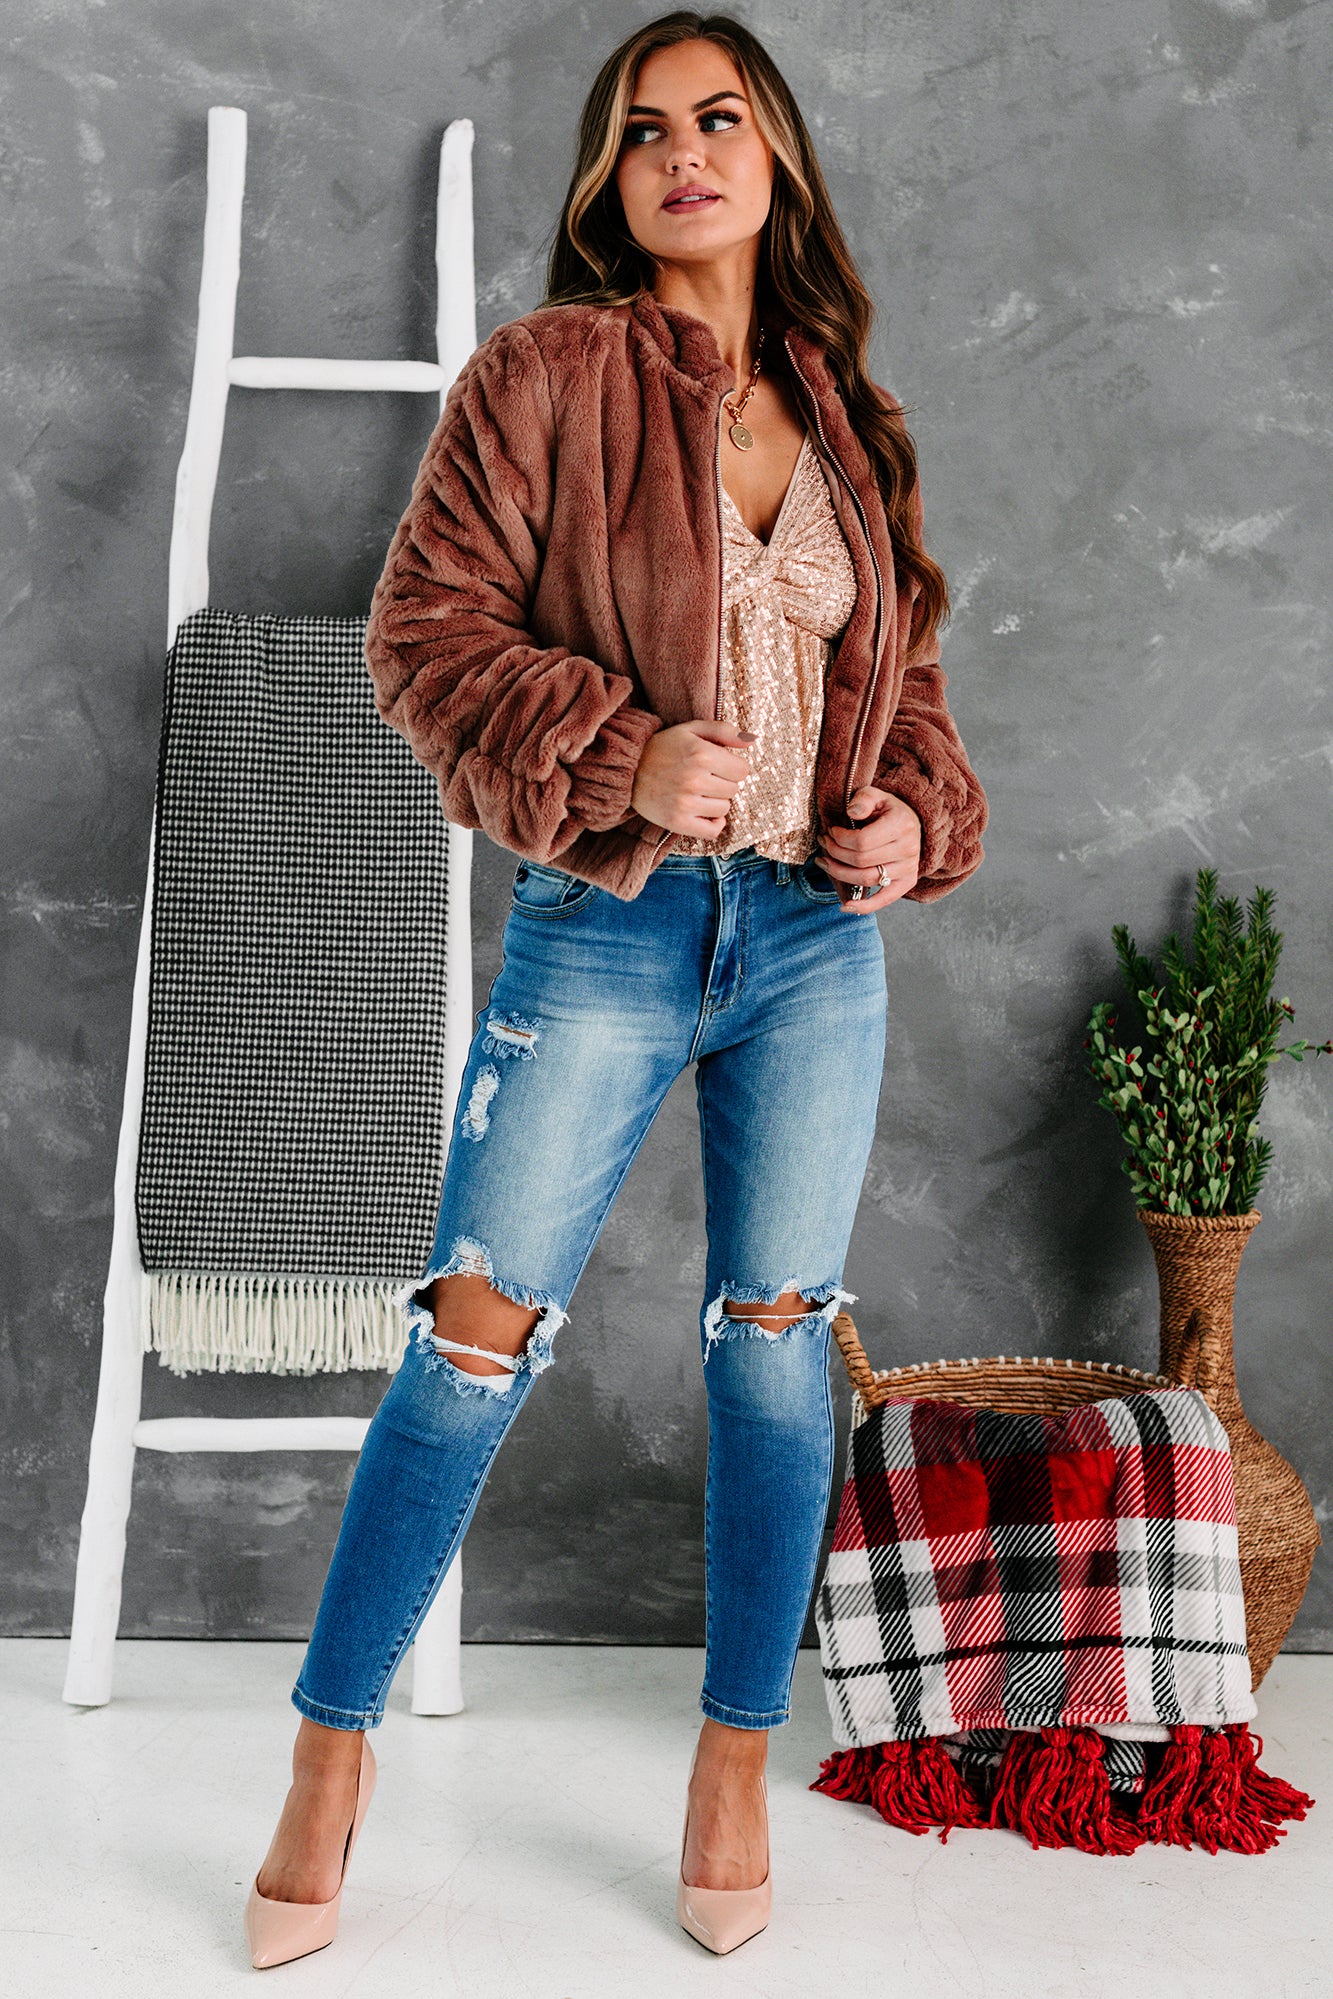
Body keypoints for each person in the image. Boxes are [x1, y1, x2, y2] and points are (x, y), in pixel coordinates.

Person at [245, 9, 986, 1967]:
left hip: (815, 945)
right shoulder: (548, 377)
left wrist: (904, 815)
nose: (682, 153)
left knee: (774, 1348)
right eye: (643, 129)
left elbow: (905, 689)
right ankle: (329, 1747)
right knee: (471, 1338)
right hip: (611, 925)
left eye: (718, 118)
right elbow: (423, 635)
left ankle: (731, 1761)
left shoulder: (840, 411)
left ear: (777, 157)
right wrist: (619, 751)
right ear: (607, 177)